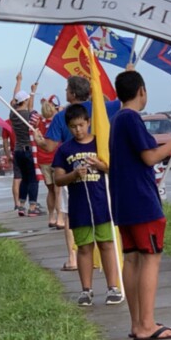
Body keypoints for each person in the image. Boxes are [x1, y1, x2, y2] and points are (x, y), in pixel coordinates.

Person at [109, 69, 171, 340]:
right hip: (142, 202)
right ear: (142, 91)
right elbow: (150, 157)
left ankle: (137, 323)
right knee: (150, 260)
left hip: (123, 203)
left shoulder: (118, 119)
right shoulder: (132, 119)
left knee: (131, 260)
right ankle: (147, 324)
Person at [52, 104, 123, 306]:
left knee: (107, 245)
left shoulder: (101, 144)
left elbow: (115, 168)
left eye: (81, 125)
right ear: (68, 127)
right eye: (73, 127)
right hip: (79, 206)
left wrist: (102, 166)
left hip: (102, 203)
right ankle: (86, 290)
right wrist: (73, 175)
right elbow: (58, 179)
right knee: (83, 248)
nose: (78, 130)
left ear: (89, 122)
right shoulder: (65, 150)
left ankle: (113, 287)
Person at [10, 80, 43, 217]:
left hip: (17, 151)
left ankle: (22, 206)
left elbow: (15, 98)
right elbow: (31, 109)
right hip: (29, 151)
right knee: (33, 179)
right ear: (24, 101)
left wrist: (18, 81)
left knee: (23, 178)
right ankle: (33, 206)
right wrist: (33, 91)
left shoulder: (13, 114)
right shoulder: (29, 116)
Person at [37, 95, 62, 228]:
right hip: (56, 157)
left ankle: (51, 217)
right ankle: (60, 218)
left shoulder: (39, 122)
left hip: (43, 159)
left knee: (51, 190)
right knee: (59, 191)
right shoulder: (58, 121)